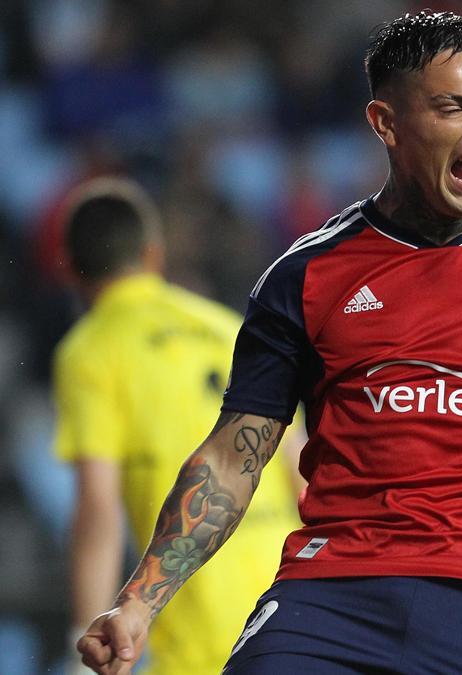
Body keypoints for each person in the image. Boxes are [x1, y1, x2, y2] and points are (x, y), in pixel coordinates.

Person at [75, 11, 462, 675]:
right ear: (385, 123)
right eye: (453, 108)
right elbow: (233, 458)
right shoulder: (304, 276)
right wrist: (138, 601)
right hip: (326, 600)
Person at [53, 177, 303, 675]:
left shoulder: (91, 350)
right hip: (289, 599)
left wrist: (83, 637)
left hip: (199, 615)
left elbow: (98, 507)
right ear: (152, 254)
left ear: (70, 271)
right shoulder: (225, 325)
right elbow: (301, 466)